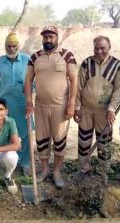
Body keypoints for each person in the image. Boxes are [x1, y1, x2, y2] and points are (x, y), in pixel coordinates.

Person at [25, 26, 78, 188]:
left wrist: (71, 104)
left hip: (60, 106)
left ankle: (56, 172)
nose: (48, 40)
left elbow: (75, 80)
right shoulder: (34, 57)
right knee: (41, 139)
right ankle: (45, 170)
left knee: (59, 139)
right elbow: (28, 80)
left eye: (51, 37)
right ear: (42, 38)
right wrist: (29, 101)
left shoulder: (67, 55)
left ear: (57, 37)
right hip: (40, 106)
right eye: (46, 37)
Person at [74, 35, 120, 174]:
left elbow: (118, 89)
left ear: (109, 47)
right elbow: (78, 86)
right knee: (84, 140)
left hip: (105, 111)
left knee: (104, 141)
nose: (99, 51)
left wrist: (111, 108)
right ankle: (84, 167)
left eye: (103, 48)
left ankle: (104, 169)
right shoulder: (86, 63)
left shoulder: (117, 65)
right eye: (96, 48)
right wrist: (76, 108)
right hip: (86, 110)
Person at [0, 32, 31, 174]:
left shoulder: (27, 59)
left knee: (25, 133)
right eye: (8, 46)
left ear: (18, 46)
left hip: (23, 102)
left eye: (14, 46)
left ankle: (25, 163)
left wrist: (30, 92)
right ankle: (9, 162)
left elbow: (34, 78)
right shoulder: (0, 61)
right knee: (7, 132)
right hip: (6, 104)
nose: (11, 49)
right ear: (5, 47)